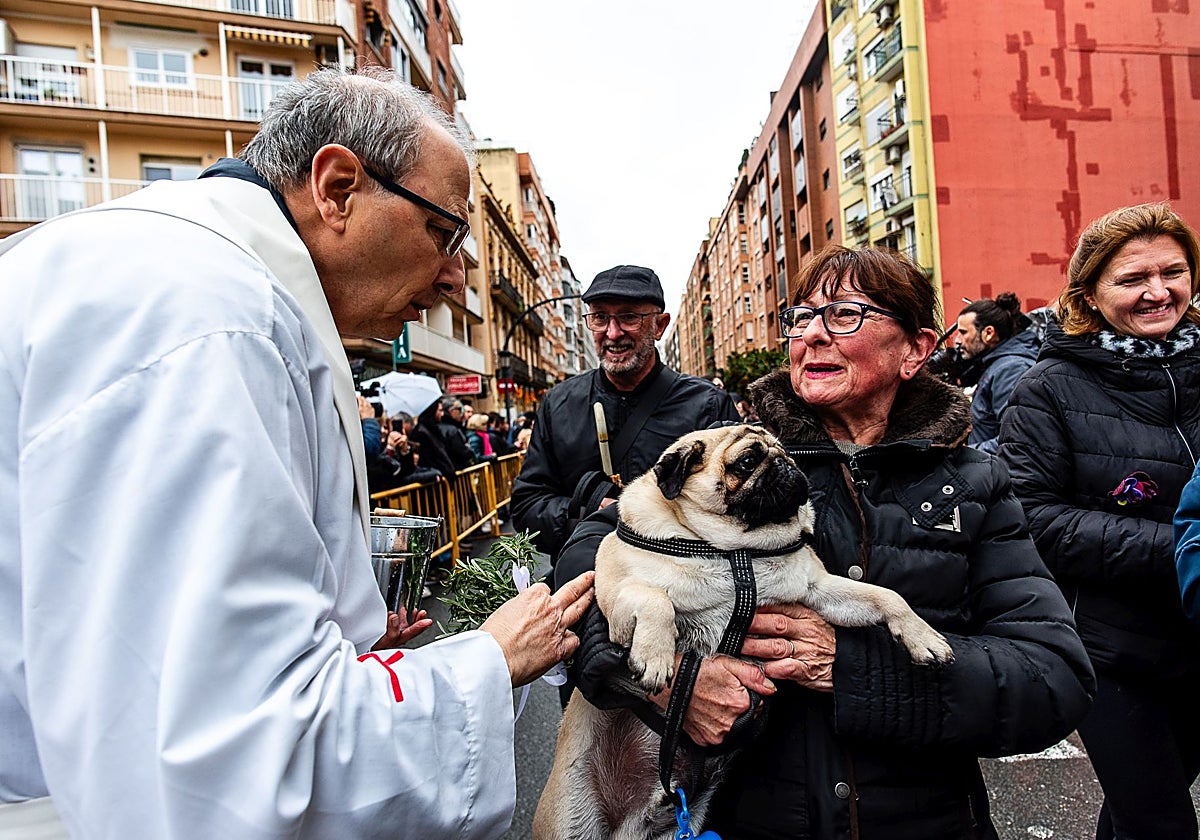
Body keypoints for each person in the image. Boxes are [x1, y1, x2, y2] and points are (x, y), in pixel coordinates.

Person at [0, 66, 594, 839]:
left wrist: (340, 638)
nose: (455, 278)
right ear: (339, 187)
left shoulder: (191, 281)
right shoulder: (206, 319)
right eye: (443, 234)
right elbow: (229, 763)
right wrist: (489, 658)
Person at [557, 245, 1094, 839]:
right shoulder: (726, 449)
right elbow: (589, 556)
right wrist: (668, 682)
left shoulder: (976, 483)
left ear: (915, 348)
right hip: (750, 818)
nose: (812, 335)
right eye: (801, 317)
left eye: (843, 315)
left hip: (924, 821)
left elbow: (1053, 678)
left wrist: (853, 669)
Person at [1001, 203, 1200, 840]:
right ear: (1089, 293)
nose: (1158, 291)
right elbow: (1033, 518)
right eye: (1132, 278)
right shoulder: (1048, 387)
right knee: (1161, 821)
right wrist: (1182, 547)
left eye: (1174, 272)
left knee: (1138, 813)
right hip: (1114, 651)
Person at [510, 264, 740, 564]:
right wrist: (593, 514)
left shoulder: (708, 405)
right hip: (582, 584)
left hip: (682, 591)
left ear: (660, 325)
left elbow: (739, 505)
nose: (612, 333)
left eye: (629, 317)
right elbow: (527, 504)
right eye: (600, 317)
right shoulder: (558, 403)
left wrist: (656, 522)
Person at [954, 292, 1038, 453]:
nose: (957, 340)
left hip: (1004, 474)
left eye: (963, 332)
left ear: (988, 333)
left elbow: (1018, 439)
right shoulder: (999, 365)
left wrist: (966, 457)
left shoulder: (1010, 370)